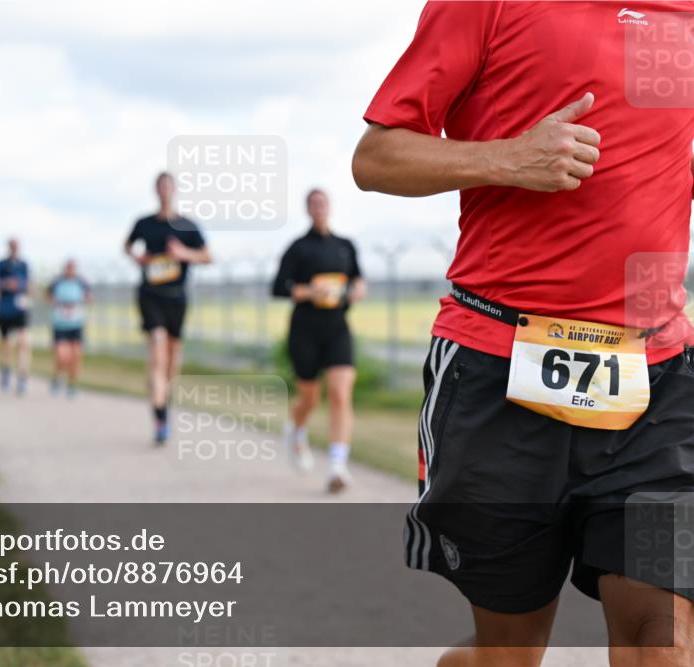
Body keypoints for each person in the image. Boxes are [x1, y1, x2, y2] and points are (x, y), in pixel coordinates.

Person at [352, 2, 694, 666]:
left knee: (663, 645)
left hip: (655, 380)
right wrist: (510, 158)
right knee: (508, 654)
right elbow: (376, 158)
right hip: (499, 367)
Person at [272, 189, 366, 493]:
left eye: (323, 203)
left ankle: (337, 466)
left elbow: (358, 279)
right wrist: (311, 291)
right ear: (307, 209)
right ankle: (295, 430)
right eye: (313, 204)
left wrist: (357, 290)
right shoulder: (298, 248)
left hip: (337, 328)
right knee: (310, 398)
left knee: (340, 393)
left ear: (329, 207)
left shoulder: (345, 246)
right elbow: (278, 288)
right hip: (305, 330)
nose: (319, 208)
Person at [125, 172, 211, 445]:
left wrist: (183, 253)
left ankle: (163, 399)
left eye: (168, 186)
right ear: (156, 190)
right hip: (150, 295)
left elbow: (207, 256)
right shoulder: (144, 223)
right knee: (157, 350)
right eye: (160, 186)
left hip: (177, 297)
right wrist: (137, 257)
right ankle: (160, 417)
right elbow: (127, 246)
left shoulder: (187, 225)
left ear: (174, 190)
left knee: (172, 361)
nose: (164, 190)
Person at [47, 259, 92, 398]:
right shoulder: (57, 282)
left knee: (76, 355)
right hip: (60, 324)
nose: (70, 270)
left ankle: (72, 384)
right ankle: (57, 376)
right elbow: (48, 296)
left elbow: (89, 297)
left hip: (76, 323)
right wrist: (55, 302)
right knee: (62, 356)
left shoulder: (81, 282)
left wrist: (83, 301)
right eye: (68, 268)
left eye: (72, 268)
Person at [0, 238, 32, 395]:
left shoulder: (23, 265)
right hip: (4, 309)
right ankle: (5, 371)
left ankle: (22, 376)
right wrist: (6, 284)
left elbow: (29, 285)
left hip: (20, 309)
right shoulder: (1, 265)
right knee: (6, 344)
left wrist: (21, 287)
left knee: (23, 343)